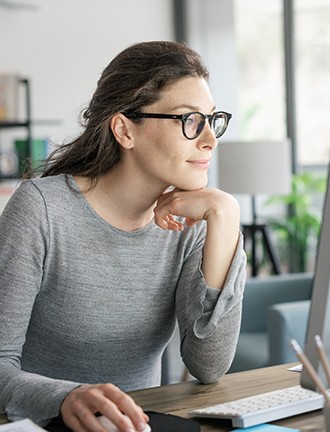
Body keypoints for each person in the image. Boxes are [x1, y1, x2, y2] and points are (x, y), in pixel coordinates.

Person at [0, 41, 246, 432]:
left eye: (211, 120)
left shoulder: (192, 223)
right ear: (124, 130)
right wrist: (66, 397)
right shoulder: (42, 210)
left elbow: (209, 366)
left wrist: (226, 216)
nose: (209, 139)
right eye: (189, 120)